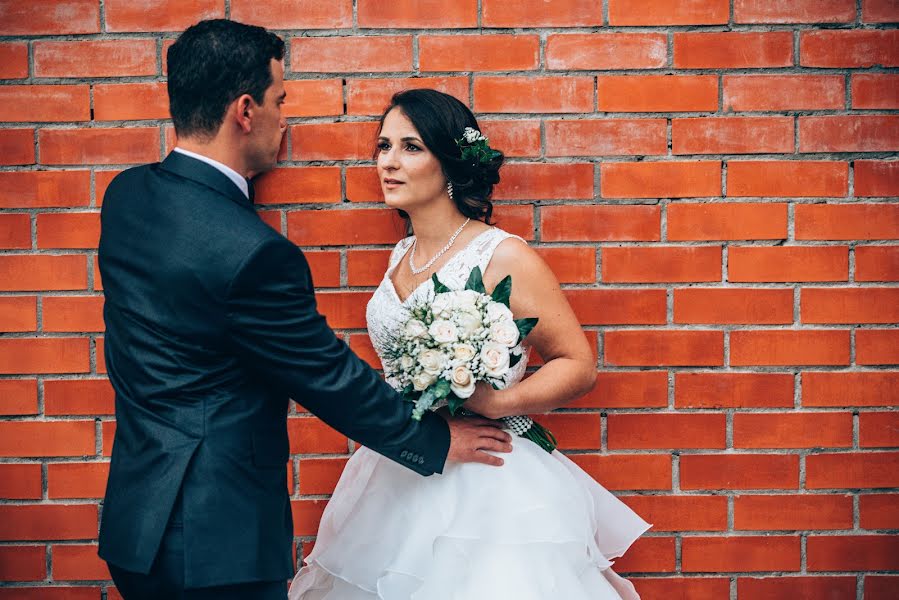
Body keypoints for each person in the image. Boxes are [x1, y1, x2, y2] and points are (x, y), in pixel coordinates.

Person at [97, 21, 511, 600]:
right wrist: (437, 442)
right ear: (245, 111)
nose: (284, 119)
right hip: (217, 544)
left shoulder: (126, 198)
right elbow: (325, 376)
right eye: (279, 100)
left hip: (134, 526)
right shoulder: (254, 252)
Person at [288, 89, 651, 600]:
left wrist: (498, 401)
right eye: (383, 146)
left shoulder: (502, 256)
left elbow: (578, 363)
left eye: (410, 148)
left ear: (450, 162)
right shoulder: (402, 254)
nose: (388, 163)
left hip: (486, 480)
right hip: (400, 466)